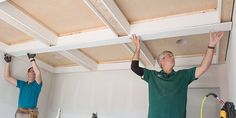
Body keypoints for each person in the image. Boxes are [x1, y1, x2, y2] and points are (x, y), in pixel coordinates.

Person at [130, 32, 224, 118]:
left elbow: (204, 67)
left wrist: (211, 45)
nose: (173, 57)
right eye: (170, 56)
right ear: (161, 61)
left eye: (173, 56)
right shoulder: (152, 76)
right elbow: (134, 67)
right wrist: (138, 48)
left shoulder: (183, 76)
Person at [4, 53, 43, 118]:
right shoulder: (22, 84)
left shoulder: (37, 85)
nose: (32, 72)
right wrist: (8, 62)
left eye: (34, 71)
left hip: (31, 112)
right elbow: (7, 77)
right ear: (28, 73)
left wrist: (32, 59)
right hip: (20, 111)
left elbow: (38, 73)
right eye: (31, 71)